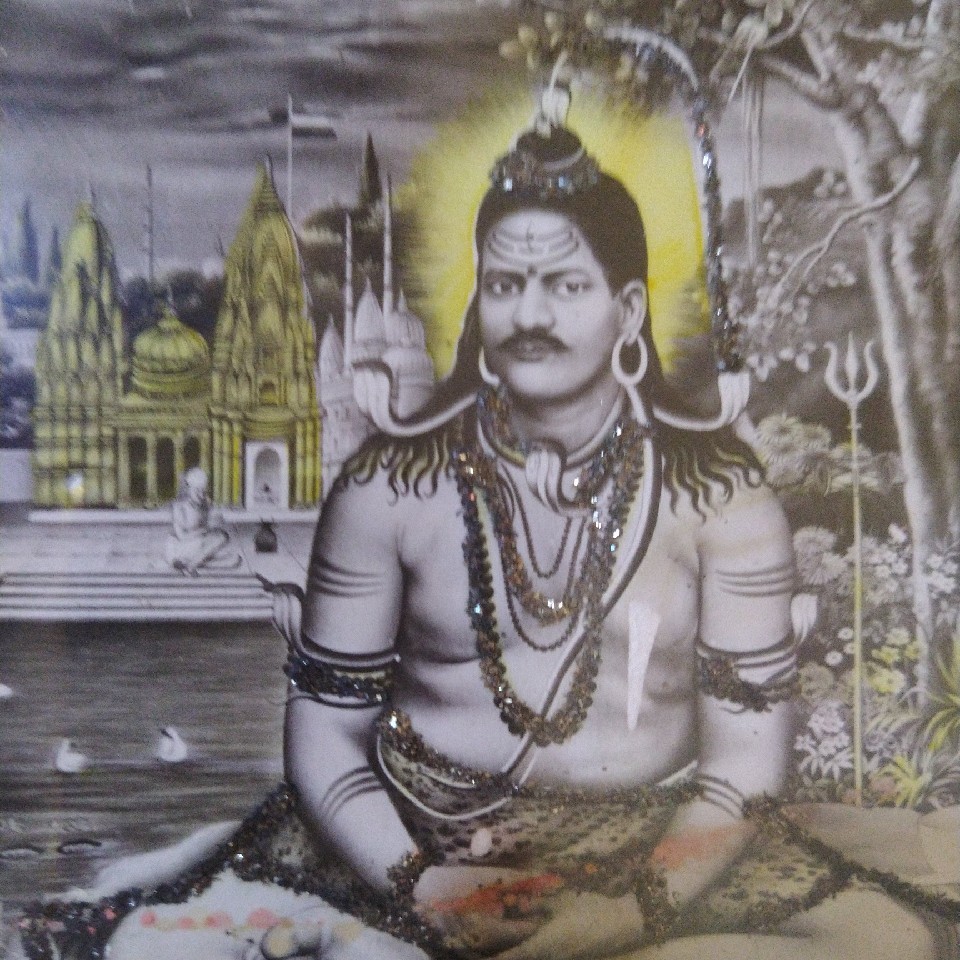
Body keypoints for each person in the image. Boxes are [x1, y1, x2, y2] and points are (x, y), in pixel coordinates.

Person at [14, 113, 955, 960]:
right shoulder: (390, 485)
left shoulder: (719, 494)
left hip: (652, 844)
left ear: (629, 310)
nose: (530, 315)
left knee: (888, 941)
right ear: (478, 303)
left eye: (565, 284)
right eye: (505, 284)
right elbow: (327, 740)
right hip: (407, 830)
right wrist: (420, 884)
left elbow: (745, 761)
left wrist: (636, 913)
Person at [164, 467, 236, 576]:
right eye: (197, 490)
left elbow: (209, 526)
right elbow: (182, 536)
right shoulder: (179, 507)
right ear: (188, 490)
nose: (201, 495)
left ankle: (189, 563)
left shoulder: (203, 506)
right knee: (220, 541)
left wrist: (209, 514)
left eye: (203, 491)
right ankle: (191, 566)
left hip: (197, 544)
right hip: (179, 547)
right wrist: (204, 531)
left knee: (223, 538)